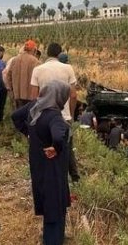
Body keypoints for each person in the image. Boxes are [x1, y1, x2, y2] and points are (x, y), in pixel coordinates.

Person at [12, 80, 72, 245]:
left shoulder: (34, 107)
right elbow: (59, 136)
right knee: (55, 205)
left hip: (37, 164)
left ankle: (52, 238)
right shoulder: (54, 116)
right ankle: (52, 240)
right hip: (52, 168)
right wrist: (56, 148)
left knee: (48, 202)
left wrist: (29, 134)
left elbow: (15, 116)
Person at [30, 42, 80, 182]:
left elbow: (33, 98)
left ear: (47, 53)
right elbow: (74, 95)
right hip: (63, 115)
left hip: (43, 116)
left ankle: (48, 177)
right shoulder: (68, 68)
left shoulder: (38, 70)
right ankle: (73, 178)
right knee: (66, 148)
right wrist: (70, 114)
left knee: (46, 148)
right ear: (59, 54)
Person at [4, 40, 40, 109]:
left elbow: (8, 76)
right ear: (33, 50)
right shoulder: (35, 61)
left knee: (18, 113)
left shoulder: (15, 60)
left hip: (17, 94)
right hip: (30, 95)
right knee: (29, 115)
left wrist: (11, 88)